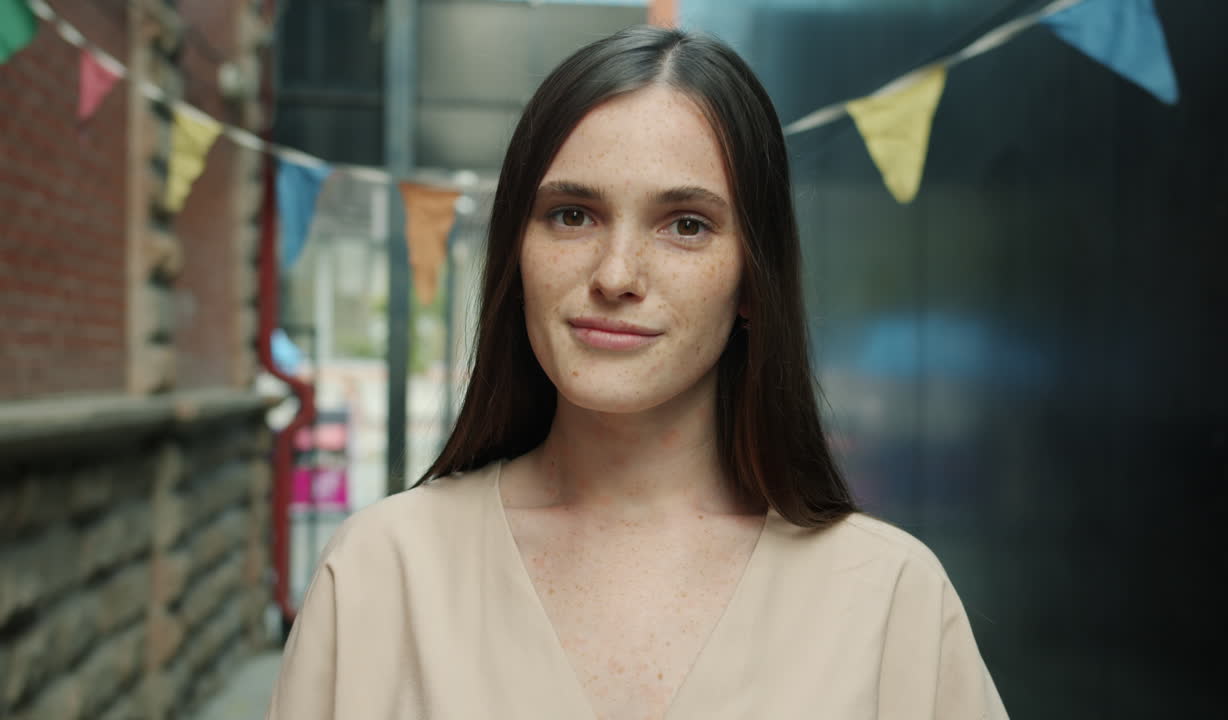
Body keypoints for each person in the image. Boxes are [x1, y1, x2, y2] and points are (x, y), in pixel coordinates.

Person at [267, 25, 1008, 720]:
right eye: (572, 215)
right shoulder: (380, 575)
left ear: (754, 279)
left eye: (686, 223)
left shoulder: (891, 600)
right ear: (515, 254)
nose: (616, 274)